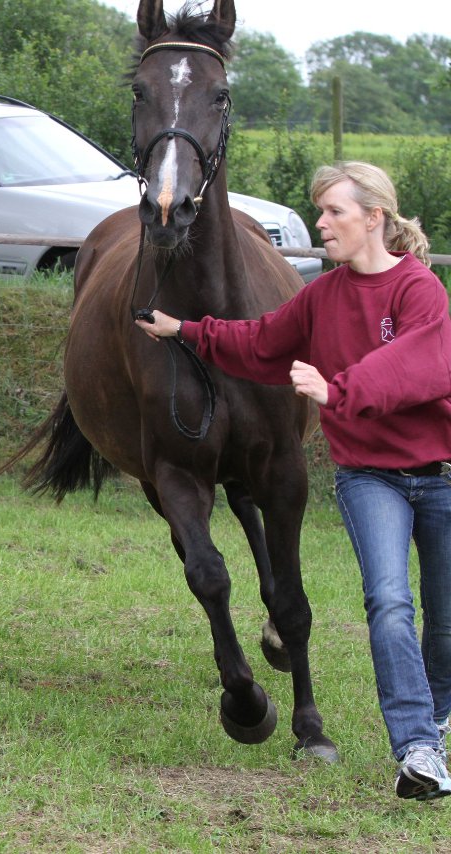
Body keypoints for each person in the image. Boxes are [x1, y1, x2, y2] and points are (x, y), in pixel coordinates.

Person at [136, 161, 451, 801]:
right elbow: (261, 342)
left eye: (334, 211)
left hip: (441, 476)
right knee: (389, 604)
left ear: (374, 218)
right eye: (320, 210)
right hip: (370, 479)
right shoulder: (322, 295)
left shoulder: (420, 291)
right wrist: (188, 331)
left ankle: (440, 721)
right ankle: (417, 747)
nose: (320, 222)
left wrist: (339, 389)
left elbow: (419, 363)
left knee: (445, 623)